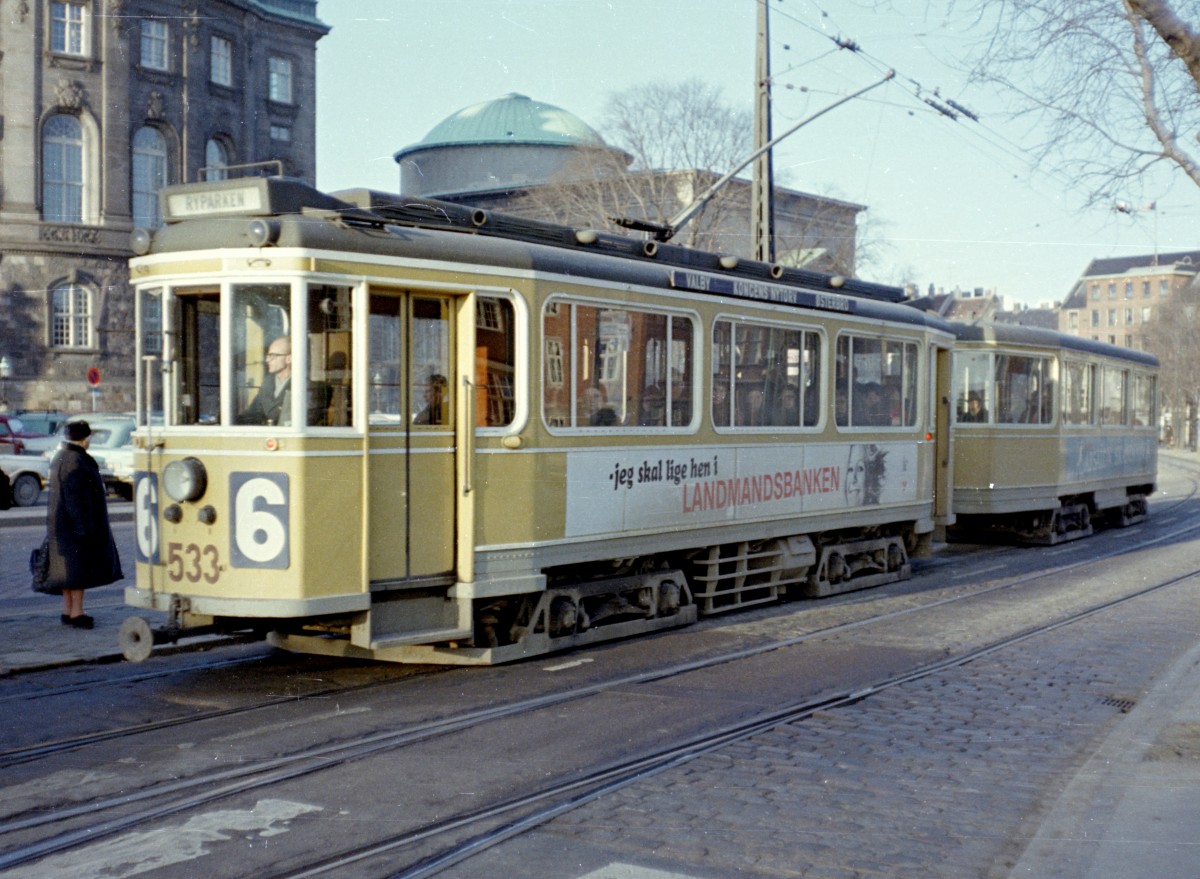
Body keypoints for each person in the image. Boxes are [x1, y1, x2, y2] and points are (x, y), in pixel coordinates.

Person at [43, 421, 123, 628]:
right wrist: (84, 528)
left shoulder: (61, 457)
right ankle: (78, 613)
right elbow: (76, 499)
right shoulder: (77, 460)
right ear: (85, 439)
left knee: (66, 572)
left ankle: (68, 611)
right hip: (76, 526)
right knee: (79, 572)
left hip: (60, 524)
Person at [237, 336, 292, 425]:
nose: (267, 360)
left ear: (289, 359)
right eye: (268, 355)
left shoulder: (301, 385)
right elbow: (253, 412)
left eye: (273, 356)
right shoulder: (267, 383)